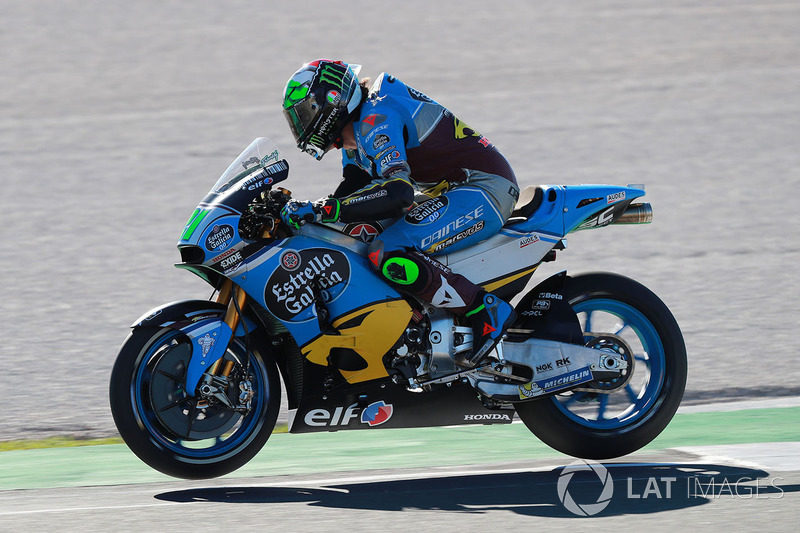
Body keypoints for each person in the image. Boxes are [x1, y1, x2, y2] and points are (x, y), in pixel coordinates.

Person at [279, 59, 520, 366]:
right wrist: (307, 217)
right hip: (455, 191)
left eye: (304, 114)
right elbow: (354, 188)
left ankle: (484, 310)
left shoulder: (377, 117)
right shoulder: (358, 129)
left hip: (485, 190)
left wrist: (321, 210)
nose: (300, 125)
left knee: (386, 251)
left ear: (331, 101)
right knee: (358, 234)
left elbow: (397, 193)